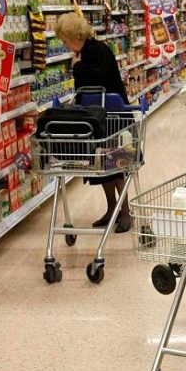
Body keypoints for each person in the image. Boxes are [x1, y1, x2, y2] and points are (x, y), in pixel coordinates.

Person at [55, 12, 132, 232]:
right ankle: (112, 208)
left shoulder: (98, 50)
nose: (64, 44)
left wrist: (77, 67)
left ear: (75, 36)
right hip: (95, 119)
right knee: (100, 166)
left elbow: (99, 81)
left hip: (113, 117)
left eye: (65, 39)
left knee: (116, 164)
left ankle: (125, 212)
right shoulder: (83, 53)